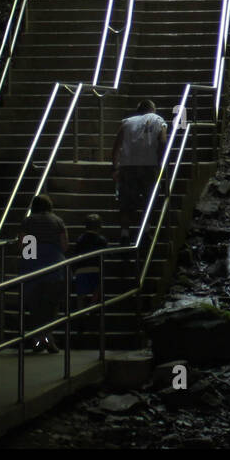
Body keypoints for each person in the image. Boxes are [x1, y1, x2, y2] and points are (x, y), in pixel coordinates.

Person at [16, 194, 69, 354]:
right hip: (55, 265)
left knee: (36, 305)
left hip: (33, 267)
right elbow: (64, 244)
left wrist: (31, 258)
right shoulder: (58, 221)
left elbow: (24, 245)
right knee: (51, 305)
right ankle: (47, 338)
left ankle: (40, 340)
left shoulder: (29, 221)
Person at [111, 100, 168, 241]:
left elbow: (116, 146)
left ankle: (124, 233)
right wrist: (161, 162)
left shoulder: (127, 122)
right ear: (152, 109)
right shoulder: (158, 120)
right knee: (149, 199)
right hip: (149, 165)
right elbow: (163, 141)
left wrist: (115, 168)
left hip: (127, 166)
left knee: (126, 201)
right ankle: (146, 230)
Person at [71, 214, 108, 306]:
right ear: (99, 227)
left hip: (81, 269)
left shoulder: (80, 239)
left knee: (81, 293)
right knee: (97, 288)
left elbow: (76, 254)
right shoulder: (101, 240)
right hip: (96, 268)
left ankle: (80, 310)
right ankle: (93, 304)